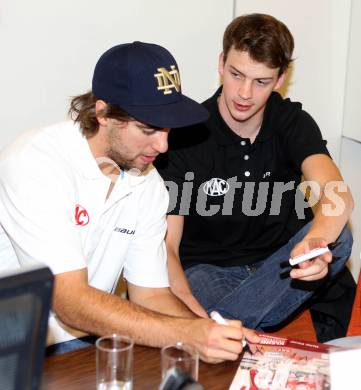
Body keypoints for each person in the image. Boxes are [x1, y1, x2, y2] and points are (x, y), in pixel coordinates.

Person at [0, 41, 259, 361]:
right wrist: (186, 335)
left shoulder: (149, 184)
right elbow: (68, 302)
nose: (163, 145)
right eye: (148, 128)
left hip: (91, 342)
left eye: (167, 128)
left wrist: (211, 333)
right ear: (103, 113)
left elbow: (150, 294)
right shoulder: (35, 162)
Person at [155, 14, 354, 330]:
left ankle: (230, 325)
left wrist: (315, 244)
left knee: (338, 235)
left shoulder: (291, 121)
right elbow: (166, 246)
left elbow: (337, 195)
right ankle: (235, 326)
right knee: (202, 289)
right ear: (221, 63)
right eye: (236, 74)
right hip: (210, 270)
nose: (244, 93)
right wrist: (190, 319)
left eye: (260, 81)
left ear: (279, 79)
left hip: (281, 262)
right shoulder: (185, 134)